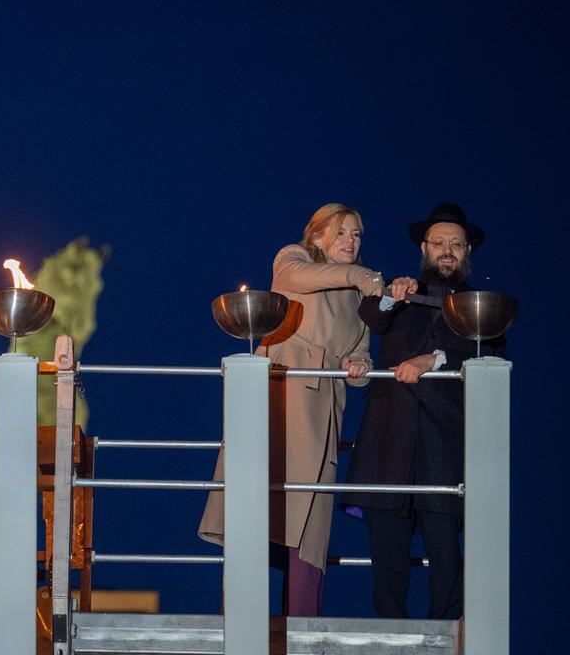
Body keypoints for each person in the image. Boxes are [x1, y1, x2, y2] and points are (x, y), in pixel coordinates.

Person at [199, 203, 384, 616]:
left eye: (357, 235)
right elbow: (297, 278)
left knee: (310, 523)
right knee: (255, 500)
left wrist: (360, 366)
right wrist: (358, 275)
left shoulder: (361, 294)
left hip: (322, 408)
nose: (351, 242)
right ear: (317, 236)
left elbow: (360, 360)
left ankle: (302, 627)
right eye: (341, 233)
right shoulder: (292, 257)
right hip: (278, 392)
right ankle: (241, 619)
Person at [342, 202, 504, 619]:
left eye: (456, 244)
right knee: (388, 545)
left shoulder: (479, 304)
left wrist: (431, 359)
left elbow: (489, 347)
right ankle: (389, 634)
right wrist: (391, 297)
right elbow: (371, 318)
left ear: (467, 252)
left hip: (443, 439)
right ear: (424, 247)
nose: (447, 250)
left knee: (444, 544)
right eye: (439, 243)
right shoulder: (403, 292)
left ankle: (448, 633)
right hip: (390, 435)